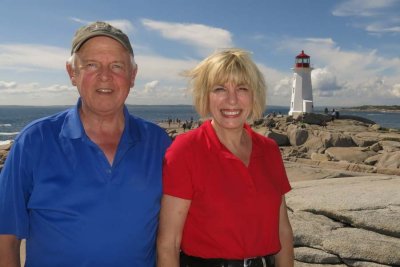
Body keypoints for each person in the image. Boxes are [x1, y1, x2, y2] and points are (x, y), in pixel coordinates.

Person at [0, 21, 171, 267]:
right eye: (91, 65)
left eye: (117, 66)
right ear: (72, 73)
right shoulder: (34, 141)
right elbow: (6, 238)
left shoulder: (159, 144)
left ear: (132, 76)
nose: (105, 76)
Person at [157, 48, 294, 267]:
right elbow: (169, 243)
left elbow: (283, 231)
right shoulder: (185, 150)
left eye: (242, 88)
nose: (231, 99)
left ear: (254, 95)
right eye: (220, 89)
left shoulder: (269, 150)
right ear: (205, 95)